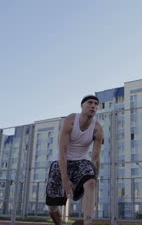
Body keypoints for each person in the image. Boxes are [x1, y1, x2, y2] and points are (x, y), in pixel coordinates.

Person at [45, 95, 103, 225]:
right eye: (90, 103)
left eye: (96, 104)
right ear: (82, 106)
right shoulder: (70, 120)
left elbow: (95, 158)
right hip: (61, 160)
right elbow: (63, 151)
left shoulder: (98, 128)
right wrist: (65, 179)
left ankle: (88, 222)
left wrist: (95, 182)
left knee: (91, 182)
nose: (93, 105)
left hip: (81, 161)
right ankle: (58, 221)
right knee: (52, 207)